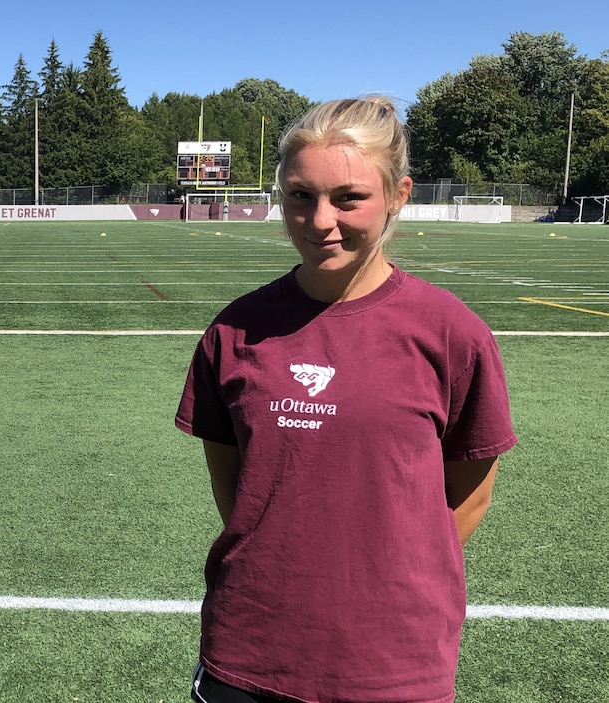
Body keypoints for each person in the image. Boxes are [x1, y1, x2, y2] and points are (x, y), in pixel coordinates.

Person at [174, 97, 517, 703]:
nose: (321, 220)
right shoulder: (234, 331)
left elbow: (470, 493)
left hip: (394, 661)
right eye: (301, 196)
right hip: (249, 648)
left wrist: (387, 574)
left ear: (399, 194)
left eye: (349, 198)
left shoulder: (451, 332)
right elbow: (237, 494)